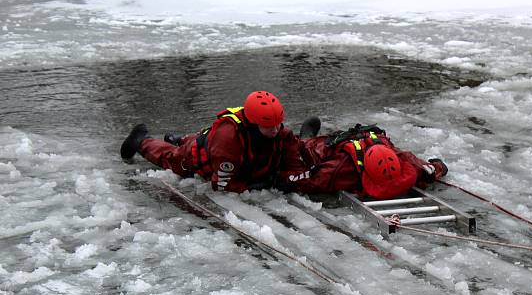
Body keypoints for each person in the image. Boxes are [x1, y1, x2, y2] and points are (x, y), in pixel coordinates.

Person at [120, 91, 316, 193]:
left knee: (197, 138)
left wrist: (289, 179)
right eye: (269, 126)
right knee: (172, 158)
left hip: (211, 139)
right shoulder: (228, 141)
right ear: (254, 123)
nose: (275, 130)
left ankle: (179, 138)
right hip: (199, 155)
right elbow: (223, 184)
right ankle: (141, 140)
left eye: (278, 124)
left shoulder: (279, 132)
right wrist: (254, 186)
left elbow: (294, 165)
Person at [278, 123, 448, 200]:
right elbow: (311, 177)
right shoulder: (343, 167)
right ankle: (306, 139)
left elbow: (311, 180)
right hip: (344, 149)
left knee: (315, 149)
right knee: (311, 150)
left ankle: (307, 139)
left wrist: (283, 179)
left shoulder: (403, 161)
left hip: (366, 143)